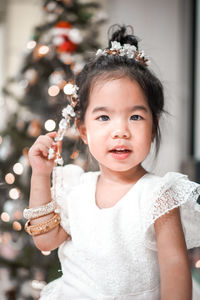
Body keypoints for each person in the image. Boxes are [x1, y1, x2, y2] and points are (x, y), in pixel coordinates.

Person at [25, 25, 200, 300]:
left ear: (153, 128)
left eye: (135, 117)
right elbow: (45, 240)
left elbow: (175, 271)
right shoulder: (75, 187)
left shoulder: (158, 196)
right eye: (104, 117)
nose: (121, 130)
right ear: (84, 131)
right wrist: (39, 175)